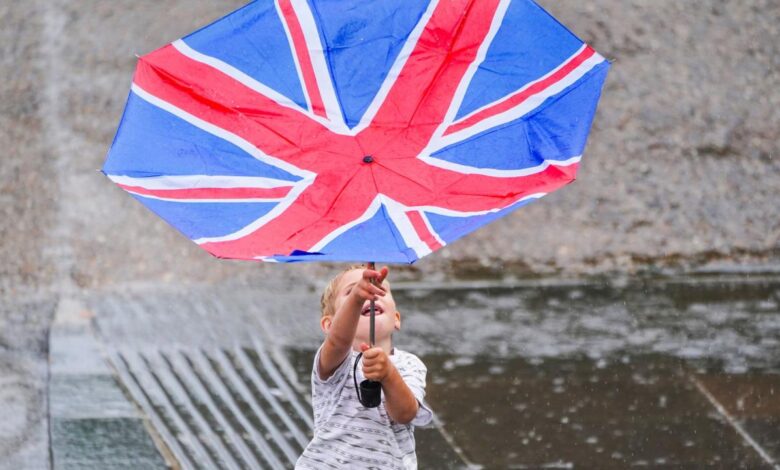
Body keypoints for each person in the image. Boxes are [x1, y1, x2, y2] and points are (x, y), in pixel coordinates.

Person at [295, 265, 433, 469]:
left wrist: (388, 375)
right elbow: (339, 341)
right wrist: (356, 299)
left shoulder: (409, 364)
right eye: (352, 291)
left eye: (379, 290)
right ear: (329, 325)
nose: (369, 295)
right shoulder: (336, 361)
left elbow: (405, 414)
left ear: (396, 318)